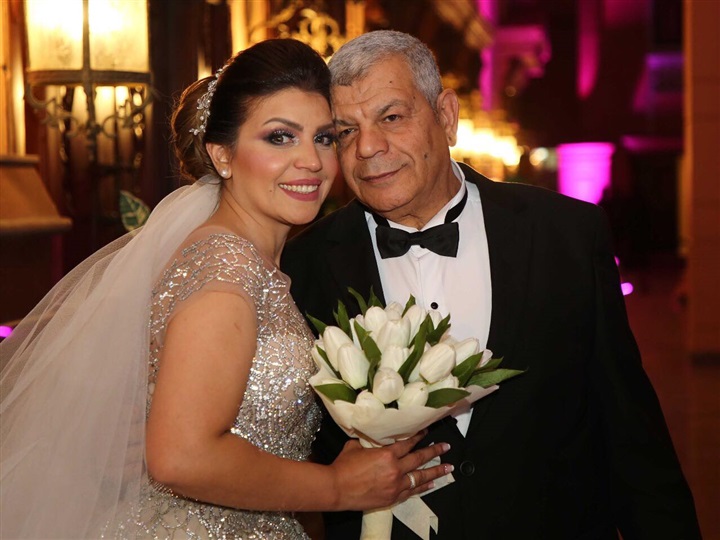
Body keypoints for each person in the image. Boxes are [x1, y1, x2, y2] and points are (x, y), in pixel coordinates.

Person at [0, 38, 453, 539]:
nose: (311, 160)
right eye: (280, 137)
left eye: (324, 138)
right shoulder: (226, 271)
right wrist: (338, 488)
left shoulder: (261, 260)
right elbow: (180, 457)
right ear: (222, 155)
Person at [281, 30, 701, 539]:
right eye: (346, 131)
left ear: (446, 116)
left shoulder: (565, 235)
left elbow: (631, 435)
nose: (368, 147)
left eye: (391, 117)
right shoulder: (301, 264)